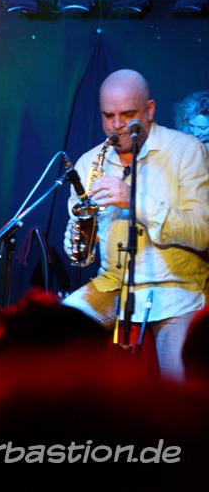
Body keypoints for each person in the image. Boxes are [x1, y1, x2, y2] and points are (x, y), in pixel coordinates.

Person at [63, 69, 209, 380]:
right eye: (108, 116)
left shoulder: (186, 151)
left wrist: (134, 200)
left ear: (150, 110)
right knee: (52, 333)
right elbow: (80, 250)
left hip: (175, 288)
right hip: (113, 284)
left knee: (180, 389)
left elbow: (202, 232)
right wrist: (79, 237)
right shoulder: (89, 162)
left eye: (127, 115)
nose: (116, 125)